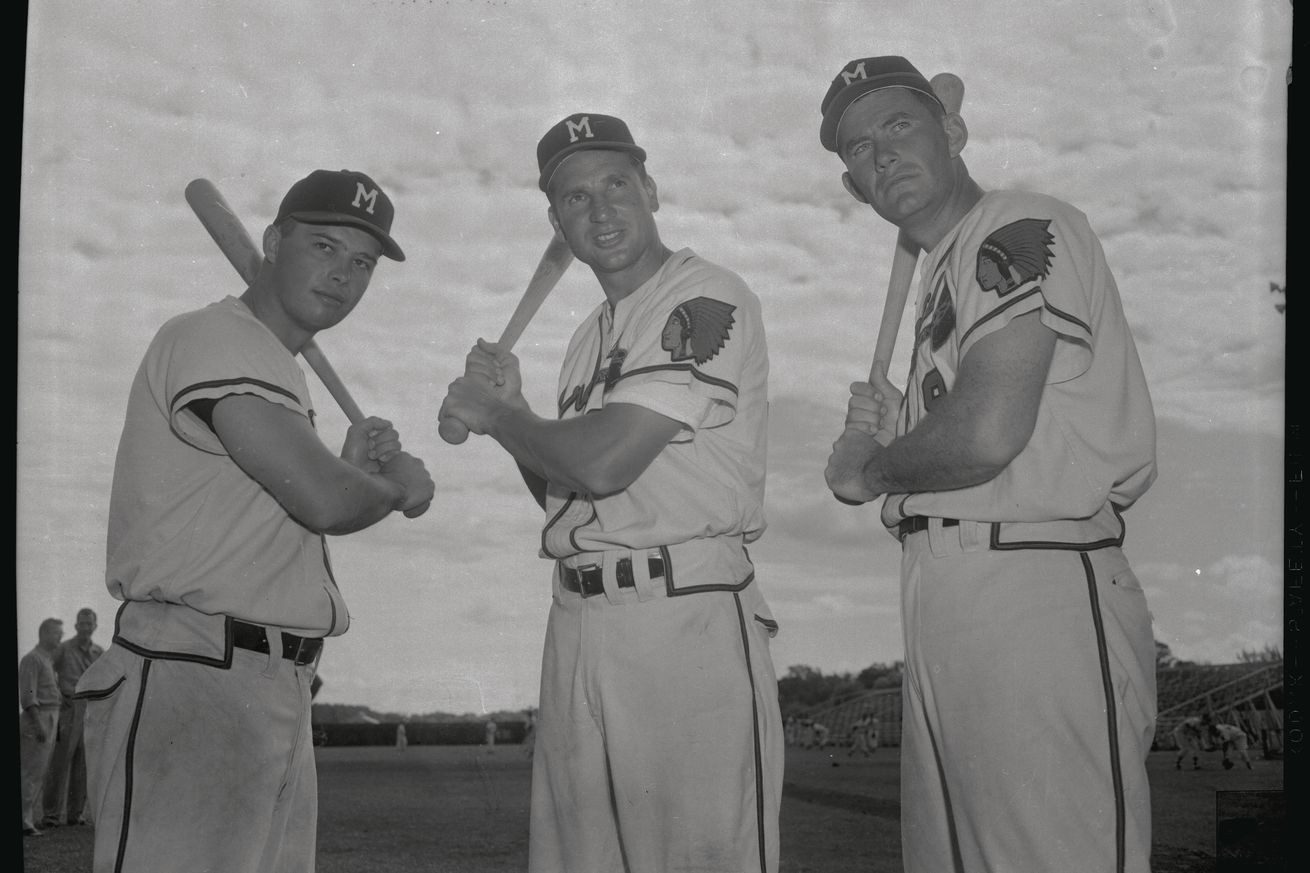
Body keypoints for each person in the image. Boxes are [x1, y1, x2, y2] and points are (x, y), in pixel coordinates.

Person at [818, 57, 1158, 873]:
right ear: (855, 186)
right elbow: (964, 421)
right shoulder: (946, 272)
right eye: (859, 149)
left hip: (1034, 580)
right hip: (946, 588)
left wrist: (870, 468)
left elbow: (988, 431)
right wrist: (895, 423)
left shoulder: (1020, 225)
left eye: (900, 125)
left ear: (955, 132)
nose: (882, 154)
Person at [440, 112, 783, 873]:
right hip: (577, 620)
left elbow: (604, 462)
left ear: (651, 188)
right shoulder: (586, 337)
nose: (599, 210)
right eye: (575, 197)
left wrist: (495, 417)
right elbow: (571, 496)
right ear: (556, 218)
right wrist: (520, 412)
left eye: (616, 185)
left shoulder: (703, 296)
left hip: (681, 619)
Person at [73, 168, 435, 873]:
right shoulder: (215, 336)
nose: (344, 275)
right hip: (197, 677)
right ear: (271, 241)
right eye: (325, 246)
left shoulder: (275, 365)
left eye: (362, 263)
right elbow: (324, 501)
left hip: (266, 683)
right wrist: (392, 486)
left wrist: (350, 468)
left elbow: (283, 508)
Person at [41, 607, 104, 829]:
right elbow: (45, 667)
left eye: (89, 624)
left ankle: (75, 814)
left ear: (95, 626)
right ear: (76, 626)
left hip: (91, 711)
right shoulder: (64, 648)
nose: (85, 627)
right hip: (68, 707)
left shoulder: (99, 652)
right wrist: (57, 692)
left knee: (83, 765)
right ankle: (50, 815)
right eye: (82, 624)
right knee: (60, 762)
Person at [19, 618, 64, 837]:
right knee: (30, 771)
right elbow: (28, 696)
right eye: (56, 633)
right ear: (44, 633)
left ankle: (27, 819)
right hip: (38, 718)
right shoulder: (32, 659)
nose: (60, 637)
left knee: (39, 771)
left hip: (51, 716)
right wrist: (38, 724)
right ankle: (24, 822)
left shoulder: (47, 659)